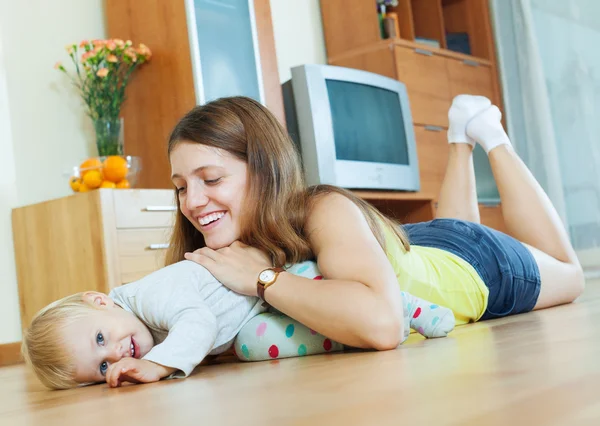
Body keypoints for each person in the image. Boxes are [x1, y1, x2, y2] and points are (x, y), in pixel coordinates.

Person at [170, 94, 584, 350]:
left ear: (264, 171)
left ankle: (492, 138)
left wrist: (264, 278)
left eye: (210, 179)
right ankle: (460, 138)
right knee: (451, 230)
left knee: (571, 274)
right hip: (411, 247)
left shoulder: (321, 208)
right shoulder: (216, 248)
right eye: (181, 187)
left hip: (476, 265)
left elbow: (384, 325)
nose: (193, 201)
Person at [22, 259, 453, 389]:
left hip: (285, 283)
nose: (115, 352)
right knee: (251, 346)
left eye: (101, 337)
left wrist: (161, 365)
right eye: (102, 366)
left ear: (101, 300)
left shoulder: (148, 294)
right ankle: (351, 340)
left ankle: (403, 306)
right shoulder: (131, 327)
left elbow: (198, 320)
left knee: (314, 288)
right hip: (255, 319)